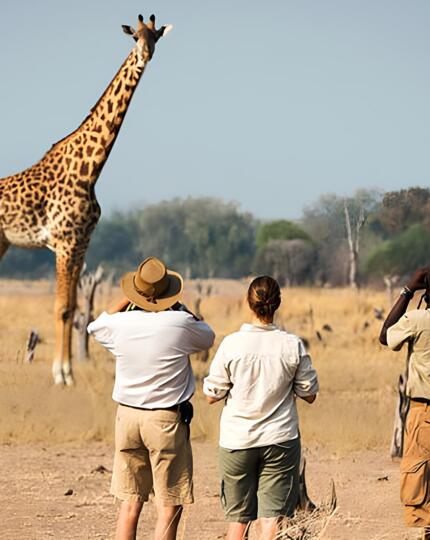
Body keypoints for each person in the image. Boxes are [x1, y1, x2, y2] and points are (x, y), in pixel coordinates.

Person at [87, 256, 215, 540]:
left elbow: (95, 327)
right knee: (169, 505)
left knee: (130, 503)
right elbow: (208, 335)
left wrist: (124, 301)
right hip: (165, 420)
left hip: (127, 417)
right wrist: (180, 307)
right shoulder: (180, 322)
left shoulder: (120, 325)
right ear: (169, 292)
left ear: (136, 291)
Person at [203, 275, 319, 540]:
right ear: (277, 303)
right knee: (271, 519)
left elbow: (212, 395)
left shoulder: (231, 343)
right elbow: (309, 394)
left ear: (249, 302)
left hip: (237, 440)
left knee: (238, 520)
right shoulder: (292, 344)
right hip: (280, 438)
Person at [379, 267, 430, 539]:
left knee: (420, 474)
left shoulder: (418, 319)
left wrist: (408, 290)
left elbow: (385, 335)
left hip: (425, 411)